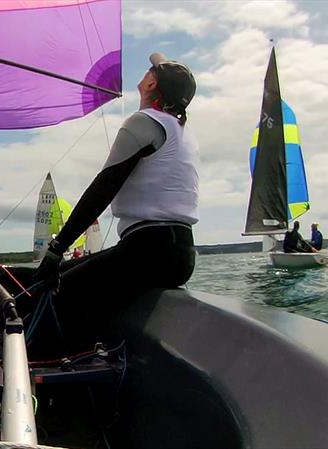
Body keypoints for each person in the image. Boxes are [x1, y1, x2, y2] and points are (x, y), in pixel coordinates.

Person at [33, 53, 198, 349]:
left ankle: (59, 377)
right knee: (73, 277)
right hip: (181, 253)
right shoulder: (182, 131)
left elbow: (104, 187)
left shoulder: (143, 121)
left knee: (52, 295)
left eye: (150, 70)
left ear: (150, 83)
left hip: (148, 251)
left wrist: (57, 250)